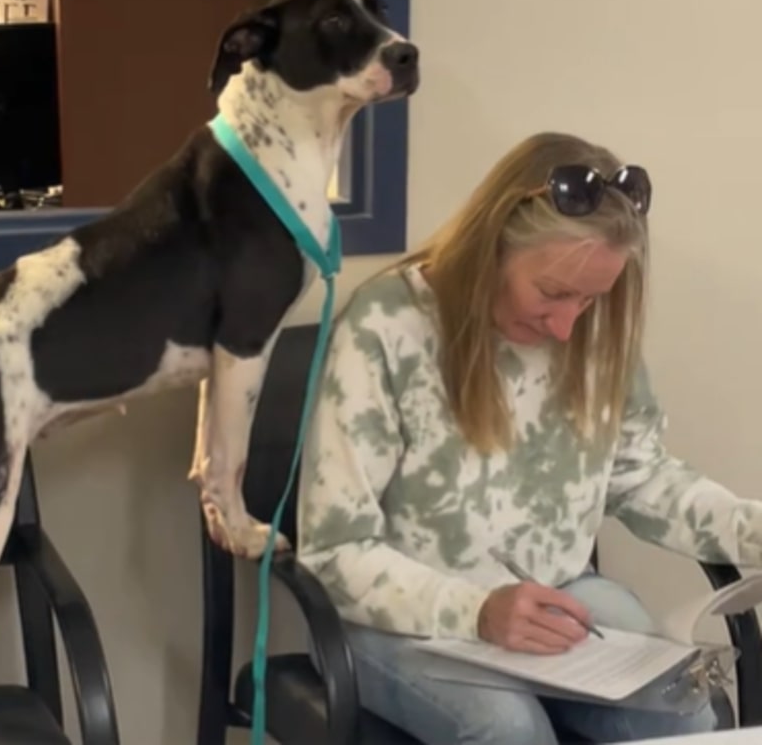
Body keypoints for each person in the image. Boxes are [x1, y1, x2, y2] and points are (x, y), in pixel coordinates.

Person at [296, 131, 760, 744]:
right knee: (510, 733)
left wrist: (748, 529)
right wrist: (477, 612)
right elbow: (335, 550)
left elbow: (640, 475)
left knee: (684, 713)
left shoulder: (594, 334)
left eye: (592, 300)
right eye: (553, 293)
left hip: (559, 598)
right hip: (402, 619)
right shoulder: (388, 326)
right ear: (490, 249)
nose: (568, 327)